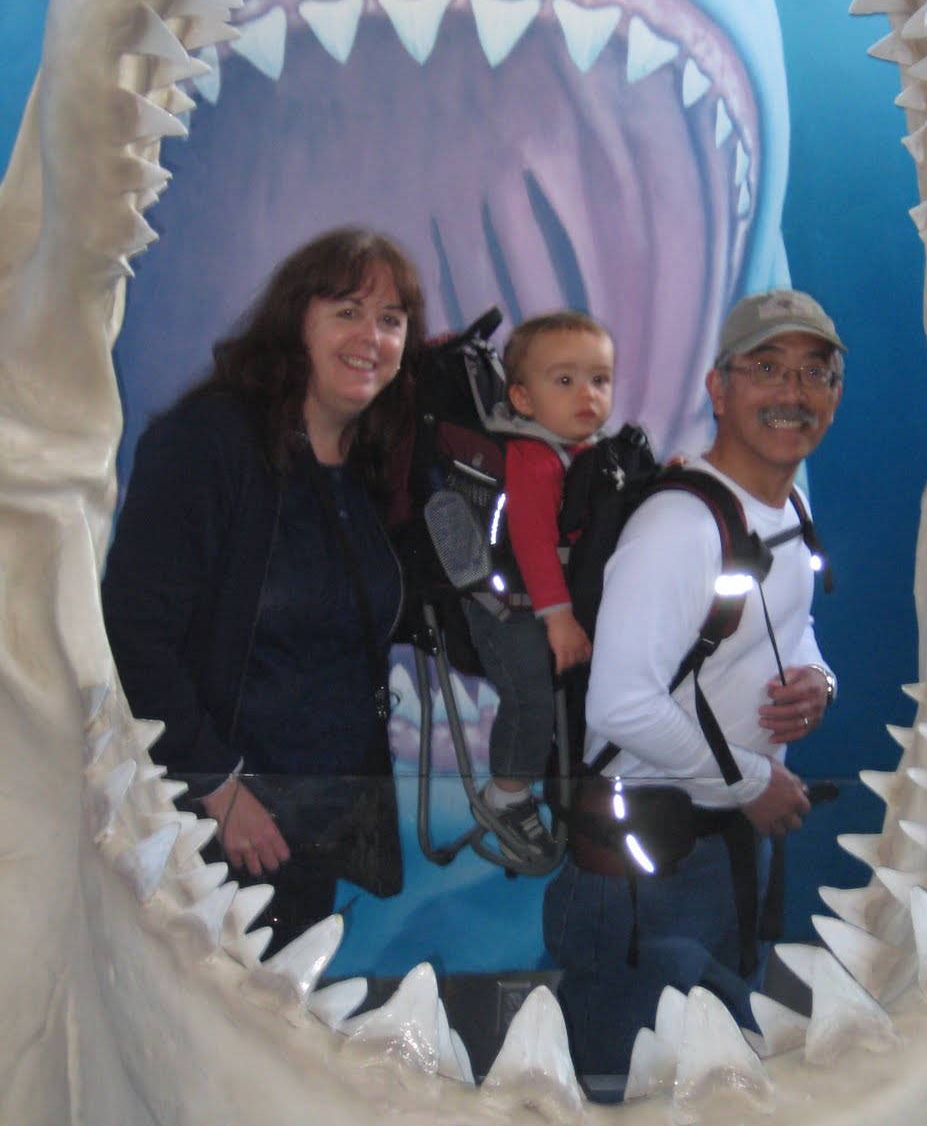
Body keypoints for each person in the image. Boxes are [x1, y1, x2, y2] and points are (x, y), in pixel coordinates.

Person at [543, 288, 843, 1076]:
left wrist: (819, 680)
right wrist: (751, 782)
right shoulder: (677, 528)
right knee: (619, 1097)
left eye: (815, 372)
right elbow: (620, 705)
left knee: (706, 1092)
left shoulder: (788, 504)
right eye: (766, 368)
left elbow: (792, 620)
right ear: (719, 387)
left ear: (835, 394)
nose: (792, 392)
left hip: (728, 847)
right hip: (646, 870)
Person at [102, 227, 425, 948]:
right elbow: (133, 633)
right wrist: (217, 785)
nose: (371, 337)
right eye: (347, 311)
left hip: (314, 828)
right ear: (294, 320)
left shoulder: (371, 463)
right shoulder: (207, 443)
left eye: (391, 319)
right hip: (207, 830)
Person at [465, 310, 615, 866]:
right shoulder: (532, 458)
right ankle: (505, 794)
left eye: (599, 380)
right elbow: (532, 544)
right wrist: (559, 618)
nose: (587, 394)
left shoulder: (580, 453)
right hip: (507, 609)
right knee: (529, 698)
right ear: (523, 400)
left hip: (541, 602)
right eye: (565, 380)